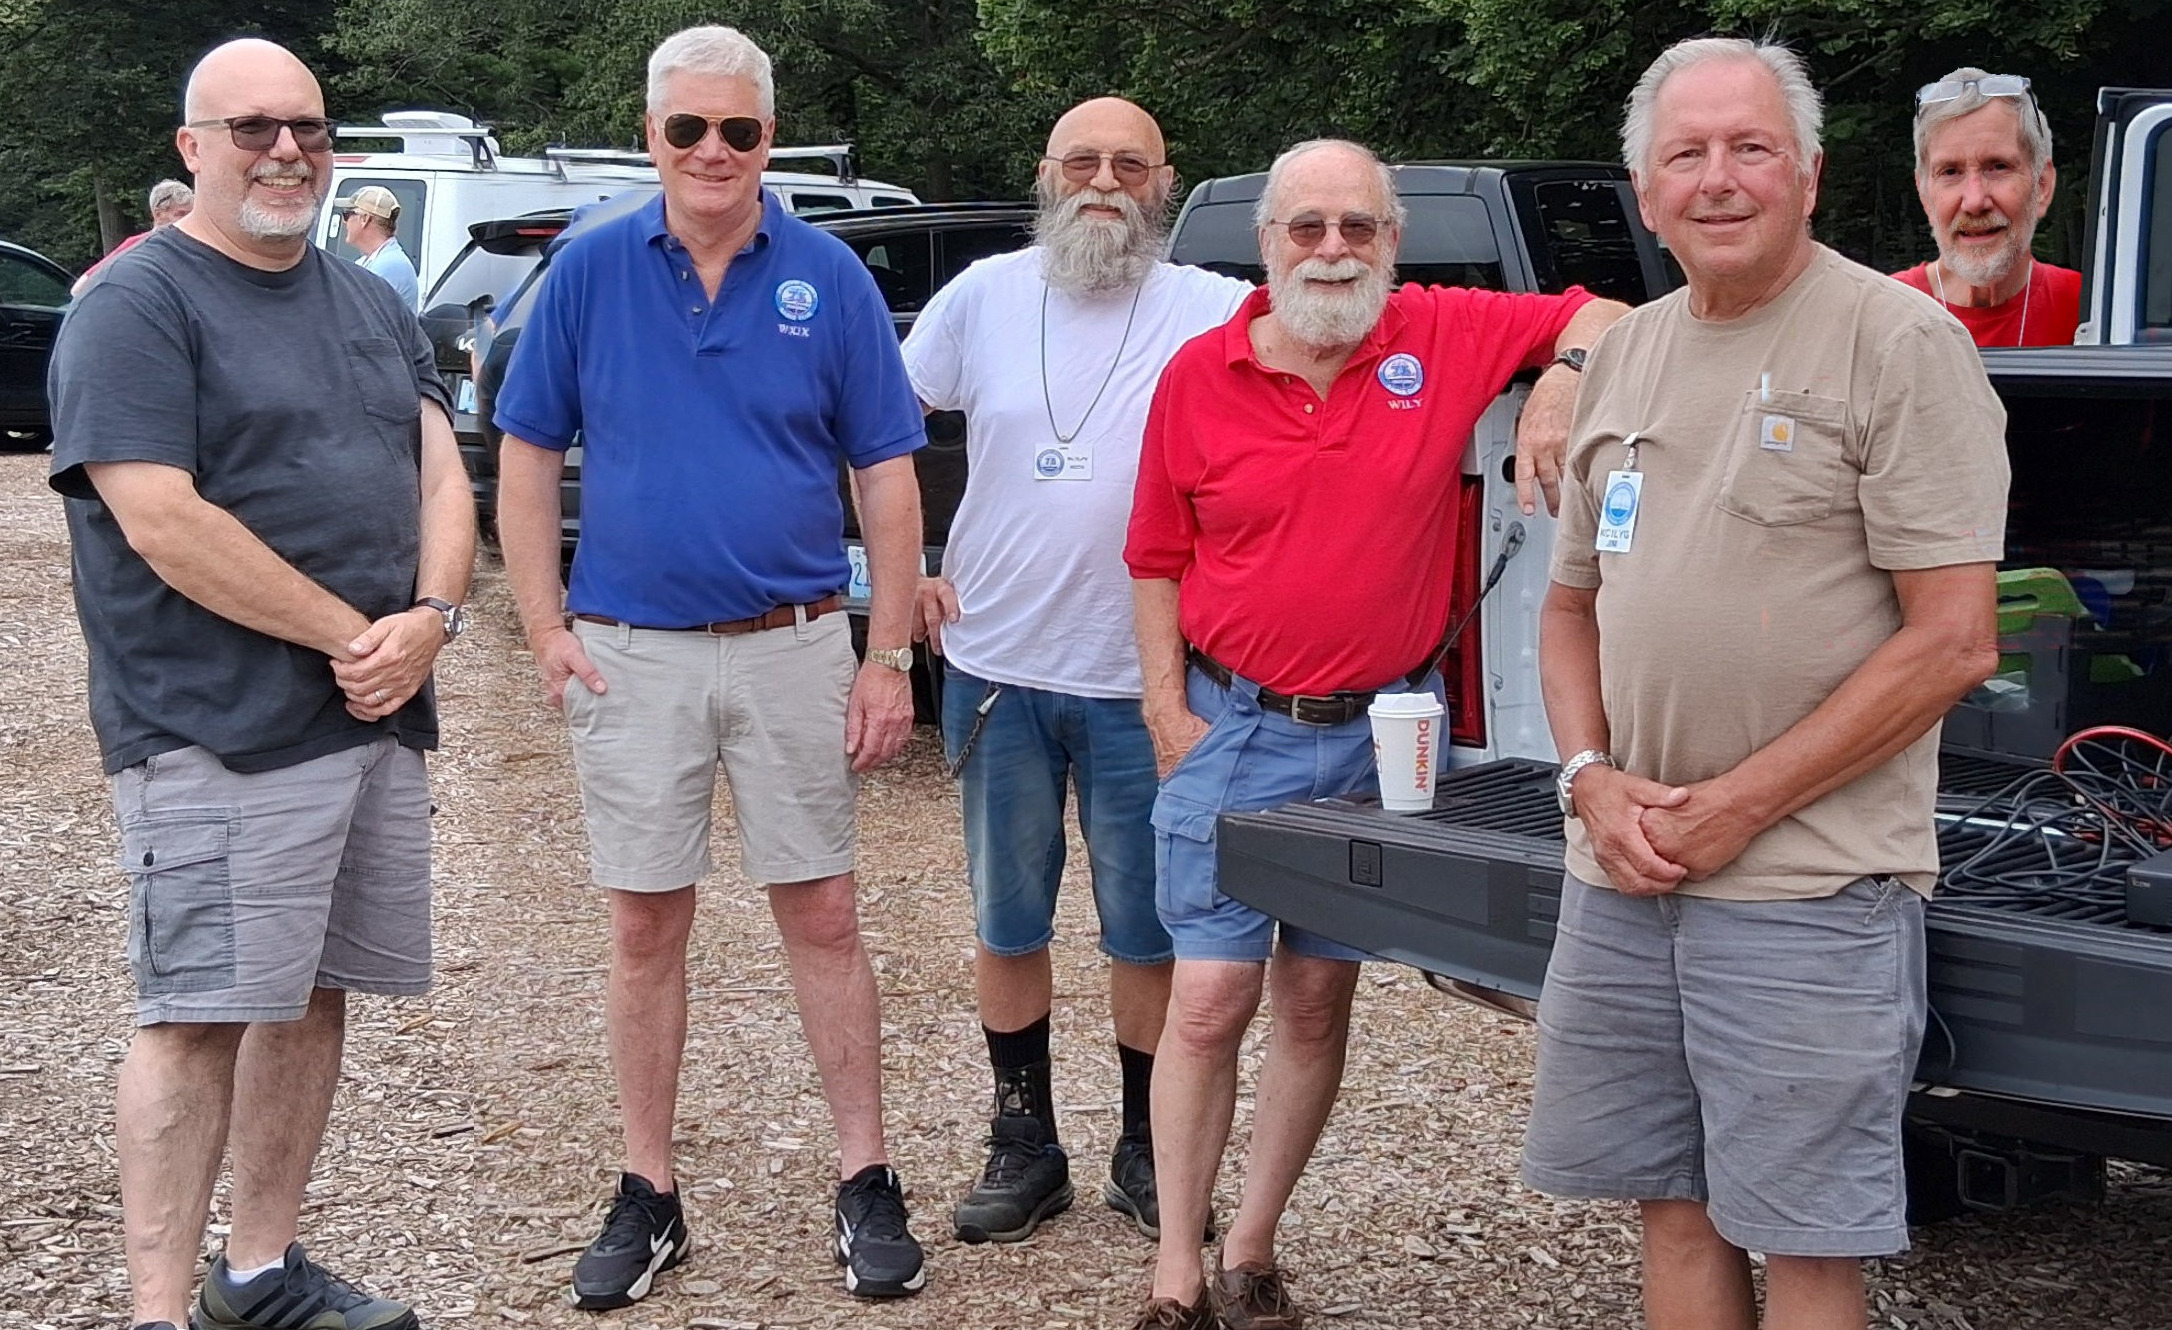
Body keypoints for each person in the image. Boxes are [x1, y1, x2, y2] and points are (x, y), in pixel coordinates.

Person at [1524, 37, 2008, 1330]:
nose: (1719, 178)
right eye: (1687, 153)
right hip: (1624, 874)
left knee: (1803, 1239)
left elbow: (1954, 640)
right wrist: (1589, 781)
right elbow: (1568, 610)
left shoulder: (1897, 341)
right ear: (1647, 191)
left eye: (1751, 148)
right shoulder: (1626, 356)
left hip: (1808, 887)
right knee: (1670, 1208)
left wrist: (1736, 807)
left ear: (1809, 173)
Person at [1123, 138, 1626, 1329]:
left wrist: (1561, 380)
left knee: (1315, 997)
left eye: (1358, 226)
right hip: (1234, 726)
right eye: (1307, 227)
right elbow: (1154, 555)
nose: (1333, 249)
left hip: (1378, 737)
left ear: (1394, 241)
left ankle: (1252, 1250)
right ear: (1269, 245)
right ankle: (1175, 1272)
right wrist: (1164, 706)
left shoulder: (1440, 331)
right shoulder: (1198, 374)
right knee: (1209, 999)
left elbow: (1609, 313)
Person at [492, 23, 929, 1310]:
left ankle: (865, 1177)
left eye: (738, 129)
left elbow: (886, 474)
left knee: (825, 912)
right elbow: (527, 452)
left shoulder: (829, 276)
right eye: (688, 128)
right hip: (631, 655)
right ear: (652, 137)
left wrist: (887, 653)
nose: (713, 150)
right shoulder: (586, 268)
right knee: (644, 924)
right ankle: (649, 1190)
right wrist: (544, 626)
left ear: (768, 138)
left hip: (794, 643)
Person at [46, 37, 472, 1330]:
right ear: (193, 149)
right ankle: (158, 1310)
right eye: (252, 128)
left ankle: (260, 1272)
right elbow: (159, 517)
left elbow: (439, 468)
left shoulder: (369, 301)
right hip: (214, 728)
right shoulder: (135, 304)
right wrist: (359, 635)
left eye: (308, 126)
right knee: (197, 1015)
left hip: (369, 715)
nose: (287, 149)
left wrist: (434, 618)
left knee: (311, 992)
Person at [899, 96, 1250, 1247]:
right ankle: (1024, 1140)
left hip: (1145, 675)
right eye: (1083, 161)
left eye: (1129, 165)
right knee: (1008, 919)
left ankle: (1146, 1144)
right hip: (996, 663)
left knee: (1147, 927)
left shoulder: (1214, 309)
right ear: (1048, 175)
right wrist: (903, 569)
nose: (1105, 181)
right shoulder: (981, 296)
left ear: (1164, 182)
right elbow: (878, 428)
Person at [1892, 66, 2079, 346]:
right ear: (1924, 194)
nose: (1975, 201)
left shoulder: (2089, 307)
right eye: (1950, 172)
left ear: (2042, 185)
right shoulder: (1885, 312)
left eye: (1998, 167)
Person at [71, 179, 193, 297]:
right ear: (158, 214)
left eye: (190, 214)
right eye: (180, 214)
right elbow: (80, 288)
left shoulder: (195, 245)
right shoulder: (137, 244)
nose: (188, 220)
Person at [334, 185, 420, 310]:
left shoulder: (390, 264)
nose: (344, 221)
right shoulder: (372, 260)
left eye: (347, 214)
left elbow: (349, 311)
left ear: (365, 218)